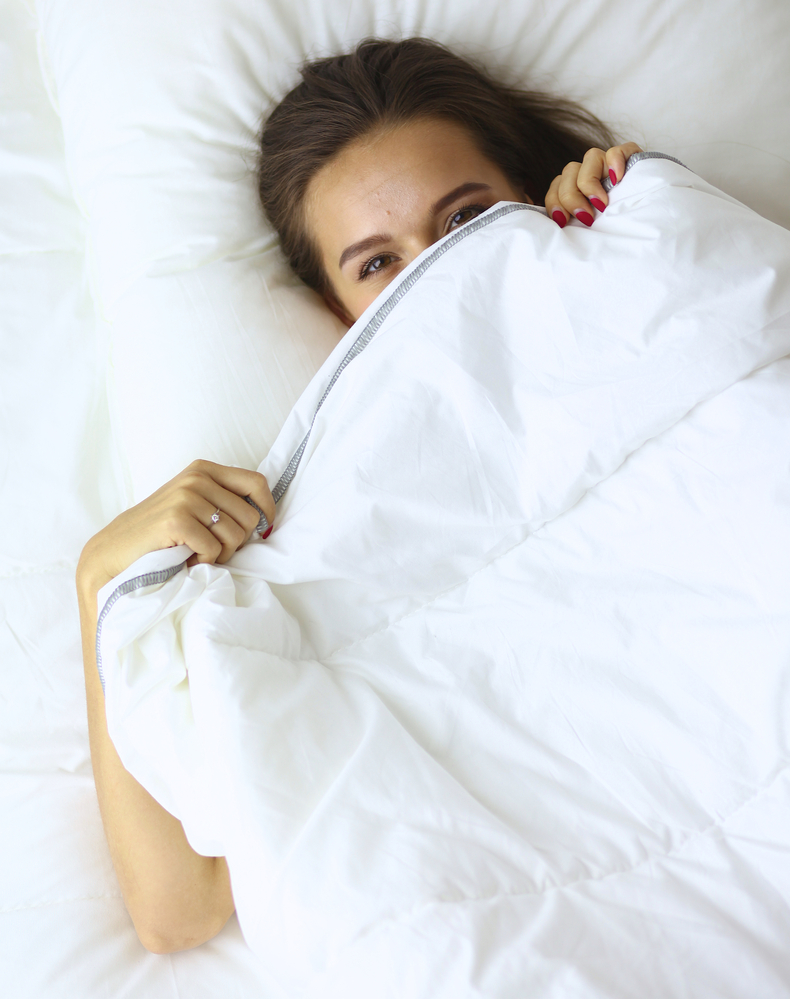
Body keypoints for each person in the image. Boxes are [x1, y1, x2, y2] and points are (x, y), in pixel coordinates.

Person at [76, 37, 642, 952]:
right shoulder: (317, 521)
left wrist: (650, 226)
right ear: (336, 308)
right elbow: (179, 909)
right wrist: (101, 578)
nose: (435, 272)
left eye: (465, 220)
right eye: (377, 263)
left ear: (528, 195)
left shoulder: (639, 296)